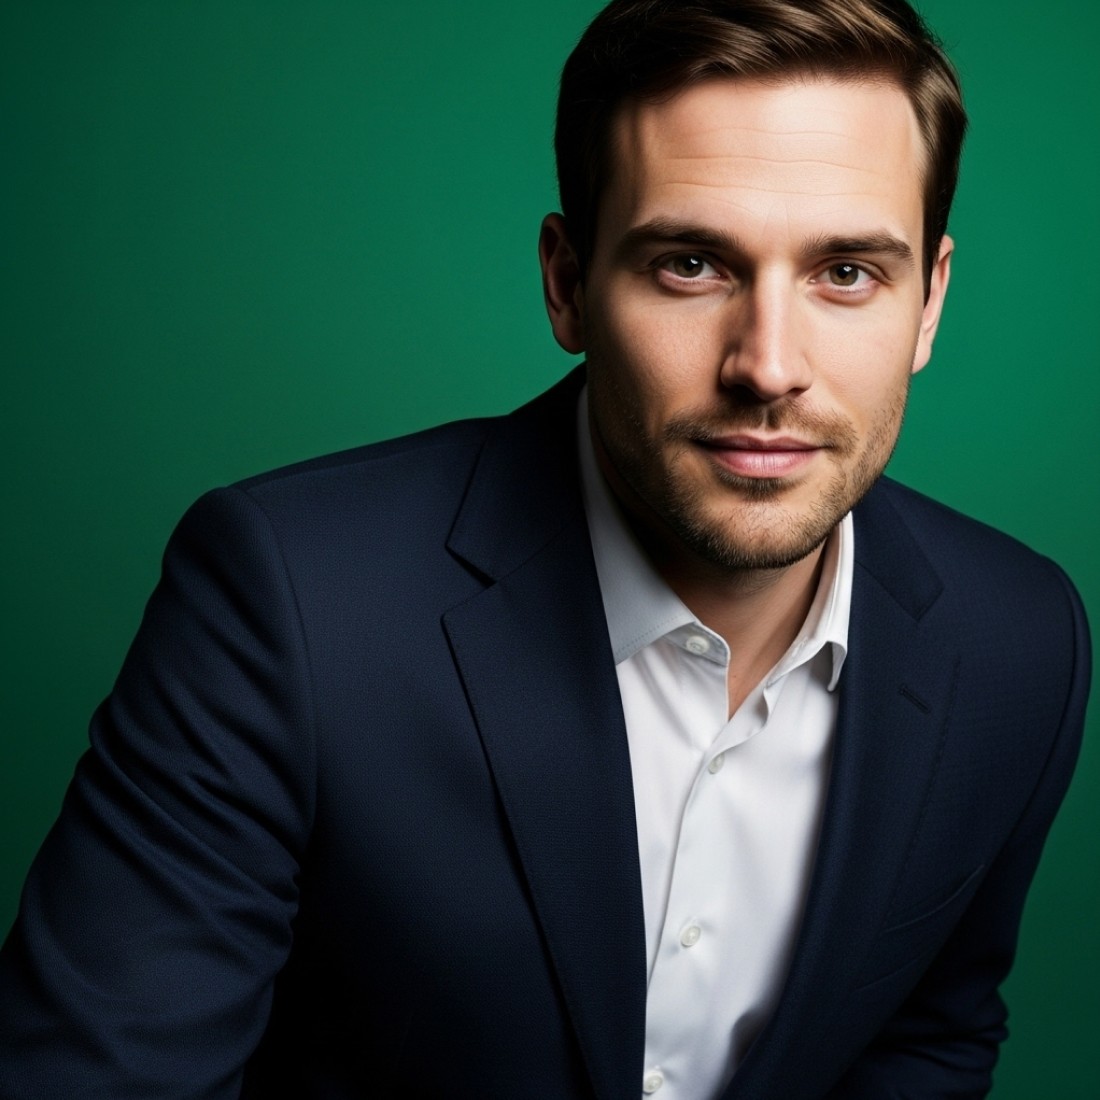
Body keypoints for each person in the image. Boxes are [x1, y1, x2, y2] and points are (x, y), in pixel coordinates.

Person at [0, 0, 1090, 1097]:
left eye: (846, 273)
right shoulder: (290, 600)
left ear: (928, 302)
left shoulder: (1019, 643)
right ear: (567, 283)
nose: (768, 366)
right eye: (690, 264)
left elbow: (925, 1037)